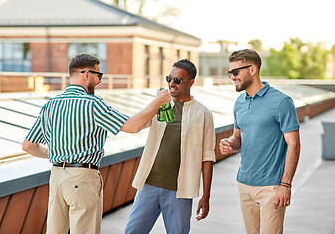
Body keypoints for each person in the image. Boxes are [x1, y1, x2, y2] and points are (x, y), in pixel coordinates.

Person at [22, 53, 171, 234]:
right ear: (86, 74)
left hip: (57, 177)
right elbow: (132, 126)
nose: (100, 80)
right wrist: (158, 101)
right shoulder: (92, 104)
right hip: (82, 177)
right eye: (99, 75)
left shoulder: (51, 105)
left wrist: (59, 155)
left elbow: (28, 145)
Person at [125, 59, 216, 234]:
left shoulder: (204, 114)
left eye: (177, 80)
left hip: (180, 191)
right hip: (148, 185)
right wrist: (155, 104)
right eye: (169, 78)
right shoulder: (160, 104)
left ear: (191, 83)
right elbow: (136, 124)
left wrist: (206, 196)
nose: (171, 84)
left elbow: (207, 157)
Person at [219, 49, 301, 233]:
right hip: (244, 184)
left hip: (271, 187)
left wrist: (285, 185)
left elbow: (294, 144)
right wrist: (230, 143)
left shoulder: (281, 102)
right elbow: (238, 137)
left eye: (235, 72)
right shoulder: (239, 102)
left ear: (252, 69)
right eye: (230, 72)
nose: (232, 77)